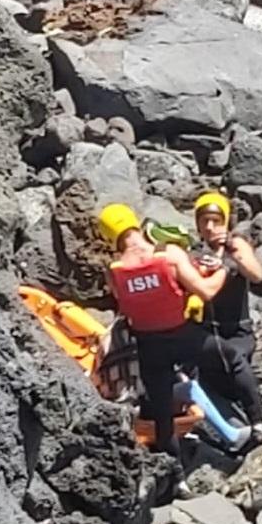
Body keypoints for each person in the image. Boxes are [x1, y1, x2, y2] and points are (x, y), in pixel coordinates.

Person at [98, 203, 226, 493]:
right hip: (181, 335)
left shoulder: (115, 269)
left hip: (149, 346)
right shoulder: (167, 253)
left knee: (163, 415)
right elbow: (202, 290)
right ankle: (254, 425)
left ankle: (177, 478)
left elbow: (123, 303)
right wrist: (223, 269)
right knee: (230, 358)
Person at [190, 191, 262, 442]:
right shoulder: (194, 252)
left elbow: (256, 275)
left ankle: (258, 422)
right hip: (206, 330)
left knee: (233, 357)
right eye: (204, 221)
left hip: (237, 330)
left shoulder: (236, 244)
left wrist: (229, 257)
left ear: (226, 221)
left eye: (216, 221)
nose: (210, 227)